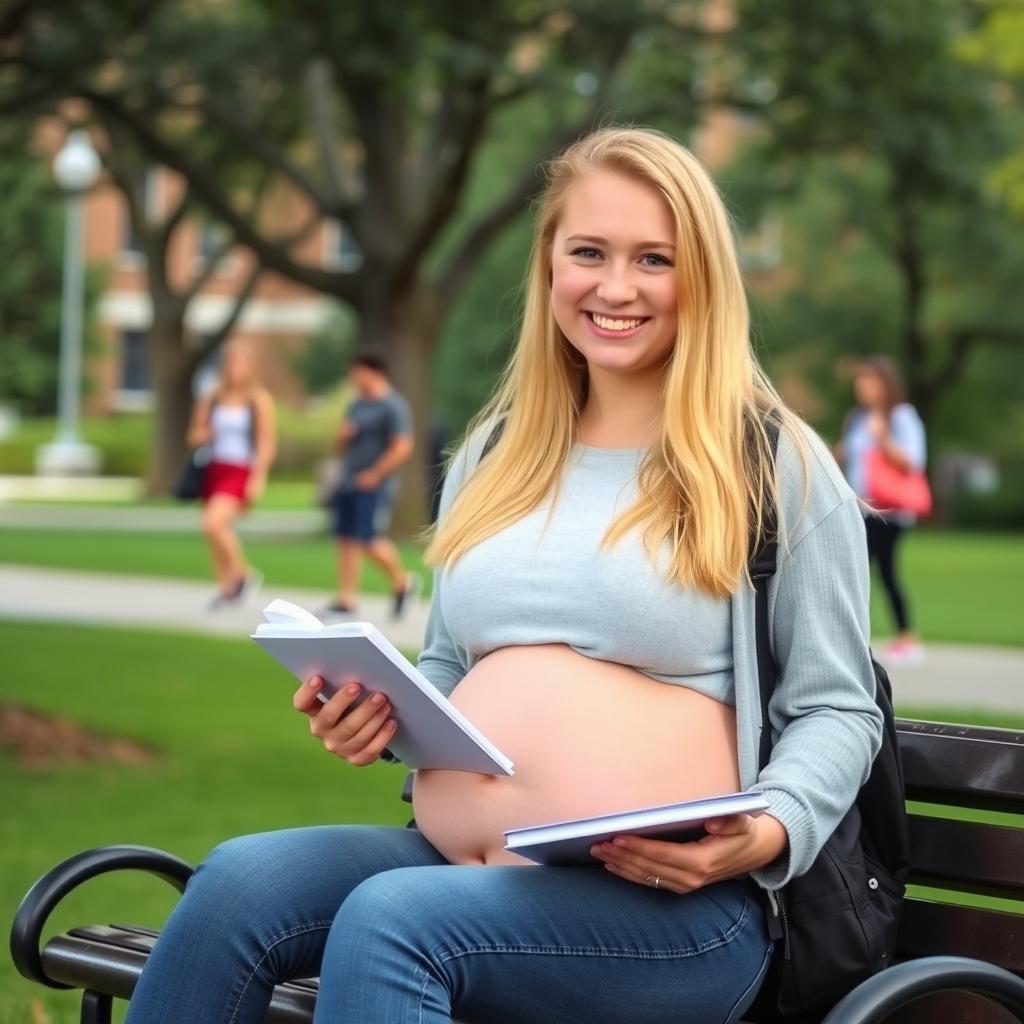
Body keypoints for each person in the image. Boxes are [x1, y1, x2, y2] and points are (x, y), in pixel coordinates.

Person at [126, 127, 883, 1024]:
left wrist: (765, 831)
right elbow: (453, 664)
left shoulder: (776, 464)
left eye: (654, 259)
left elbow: (838, 706)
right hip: (456, 868)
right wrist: (380, 713)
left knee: (392, 925)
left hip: (677, 909)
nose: (615, 286)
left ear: (704, 278)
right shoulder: (499, 449)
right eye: (588, 253)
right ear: (549, 265)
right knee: (236, 885)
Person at [837, 356, 927, 665]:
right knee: (862, 571)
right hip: (860, 508)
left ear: (886, 384)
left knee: (882, 571)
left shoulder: (901, 416)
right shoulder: (858, 417)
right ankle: (869, 636)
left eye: (870, 381)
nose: (863, 388)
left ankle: (905, 637)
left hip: (889, 512)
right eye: (860, 381)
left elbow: (913, 461)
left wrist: (883, 438)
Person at [326, 348, 419, 618]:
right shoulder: (356, 405)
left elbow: (402, 447)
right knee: (345, 539)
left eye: (357, 372)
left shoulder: (393, 406)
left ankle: (402, 581)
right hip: (348, 481)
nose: (354, 378)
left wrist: (375, 474)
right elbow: (341, 446)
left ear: (373, 372)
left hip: (374, 484)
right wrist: (343, 437)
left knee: (368, 539)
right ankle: (346, 598)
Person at [186, 341, 277, 609]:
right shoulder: (213, 397)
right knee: (215, 530)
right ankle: (227, 587)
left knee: (213, 523)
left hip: (240, 469)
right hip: (214, 466)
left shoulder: (257, 400)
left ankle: (243, 573)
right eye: (231, 363)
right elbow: (193, 435)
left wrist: (258, 479)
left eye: (240, 363)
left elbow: (266, 443)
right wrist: (204, 435)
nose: (235, 369)